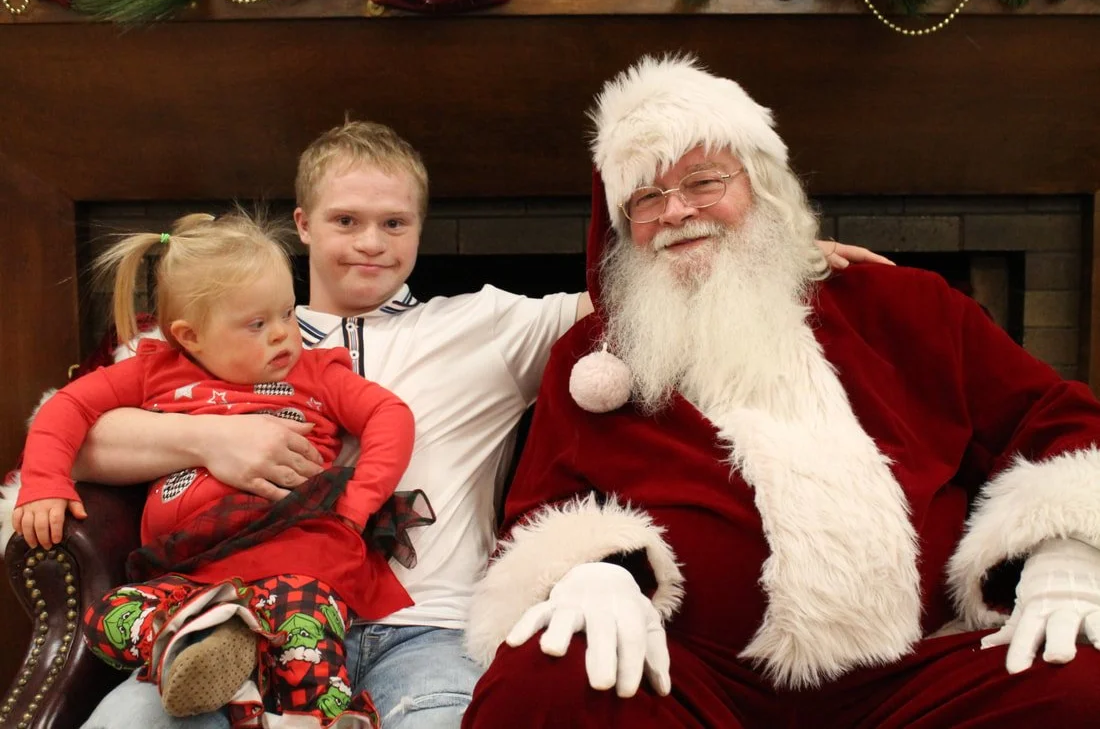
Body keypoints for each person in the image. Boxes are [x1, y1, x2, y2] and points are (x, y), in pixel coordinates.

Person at [60, 120, 883, 729]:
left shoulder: (490, 325)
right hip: (236, 617)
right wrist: (211, 437)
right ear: (305, 225)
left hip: (430, 626)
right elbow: (81, 439)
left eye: (395, 224)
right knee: (123, 724)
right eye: (347, 221)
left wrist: (785, 253)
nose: (372, 244)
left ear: (422, 227)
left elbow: (653, 290)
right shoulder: (219, 336)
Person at [462, 55, 1100, 729]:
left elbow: (1055, 418)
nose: (676, 211)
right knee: (544, 679)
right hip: (689, 678)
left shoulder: (907, 306)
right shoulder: (592, 356)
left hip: (918, 680)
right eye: (645, 198)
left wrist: (1065, 547)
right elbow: (540, 510)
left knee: (1081, 682)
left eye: (703, 182)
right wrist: (592, 572)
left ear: (761, 188)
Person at [13, 211, 419, 728]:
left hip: (295, 560)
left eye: (287, 314)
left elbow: (390, 415)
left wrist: (358, 503)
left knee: (305, 649)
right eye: (257, 324)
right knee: (107, 617)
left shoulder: (315, 373)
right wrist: (44, 482)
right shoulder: (153, 371)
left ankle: (321, 714)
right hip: (190, 576)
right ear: (191, 336)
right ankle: (203, 637)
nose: (283, 336)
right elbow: (65, 408)